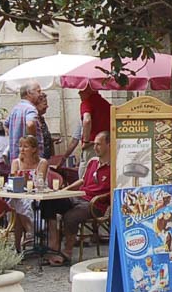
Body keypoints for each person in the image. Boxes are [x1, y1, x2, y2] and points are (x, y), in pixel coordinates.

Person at [42, 130, 110, 266]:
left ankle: (66, 253)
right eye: (94, 144)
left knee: (70, 216)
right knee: (48, 202)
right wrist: (64, 191)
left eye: (98, 144)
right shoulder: (93, 162)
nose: (95, 147)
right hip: (79, 197)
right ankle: (53, 244)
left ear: (109, 145)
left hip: (95, 204)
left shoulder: (114, 167)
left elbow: (113, 191)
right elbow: (82, 180)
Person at [9, 135, 49, 251]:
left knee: (17, 205)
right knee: (17, 201)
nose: (21, 149)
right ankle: (31, 229)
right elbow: (13, 181)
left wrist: (26, 181)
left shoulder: (42, 162)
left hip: (38, 196)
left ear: (34, 149)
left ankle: (18, 245)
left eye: (25, 146)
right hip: (20, 195)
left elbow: (40, 182)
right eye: (20, 146)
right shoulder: (16, 162)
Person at [7, 81, 42, 162]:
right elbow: (30, 124)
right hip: (29, 160)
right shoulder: (30, 109)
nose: (40, 94)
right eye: (38, 91)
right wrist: (32, 145)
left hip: (16, 158)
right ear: (29, 93)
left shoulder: (15, 109)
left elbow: (6, 124)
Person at [79, 86, 110, 164]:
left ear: (88, 91)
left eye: (81, 91)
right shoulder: (106, 104)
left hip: (92, 145)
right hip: (106, 144)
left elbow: (87, 120)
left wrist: (86, 142)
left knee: (87, 168)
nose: (79, 93)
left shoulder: (87, 102)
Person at [35, 91, 56, 160]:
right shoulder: (34, 120)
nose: (47, 107)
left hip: (47, 158)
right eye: (45, 104)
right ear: (36, 105)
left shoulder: (42, 119)